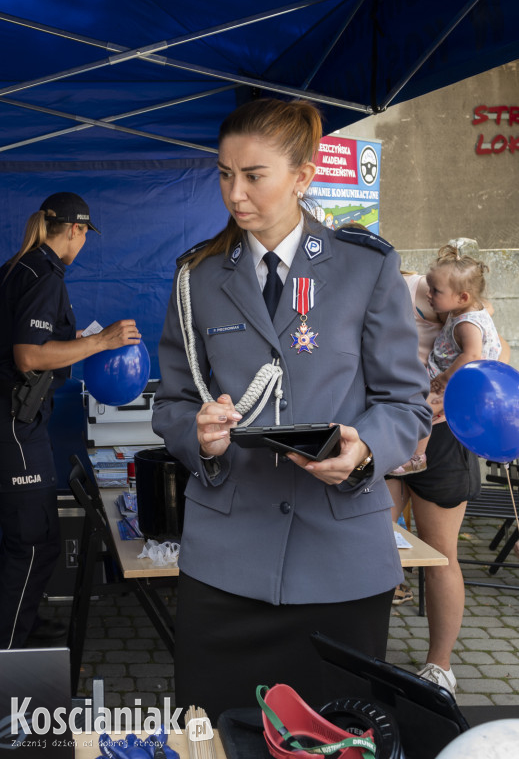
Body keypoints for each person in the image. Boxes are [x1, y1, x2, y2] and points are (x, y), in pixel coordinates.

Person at [152, 97, 431, 721]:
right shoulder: (196, 279)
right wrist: (197, 435)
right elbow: (171, 399)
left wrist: (364, 455)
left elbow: (404, 404)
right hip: (226, 564)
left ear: (304, 175)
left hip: (340, 563)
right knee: (216, 734)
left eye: (254, 175)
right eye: (225, 174)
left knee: (335, 736)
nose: (235, 193)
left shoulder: (366, 267)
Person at [0, 191, 142, 649]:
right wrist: (101, 342)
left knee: (39, 541)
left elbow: (32, 340)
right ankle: (10, 652)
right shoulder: (43, 274)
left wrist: (73, 340)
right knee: (34, 544)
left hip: (20, 425)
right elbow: (27, 355)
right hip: (15, 426)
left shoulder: (19, 267)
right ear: (77, 230)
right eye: (83, 234)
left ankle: (25, 626)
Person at [387, 242, 507, 696]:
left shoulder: (429, 290)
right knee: (373, 545)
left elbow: (490, 342)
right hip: (388, 426)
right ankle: (362, 650)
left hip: (440, 434)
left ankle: (440, 667)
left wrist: (448, 383)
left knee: (439, 554)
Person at [391, 245, 501, 476]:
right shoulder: (464, 309)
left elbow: (471, 355)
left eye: (435, 291)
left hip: (457, 381)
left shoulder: (467, 323)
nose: (428, 294)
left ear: (462, 297)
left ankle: (417, 458)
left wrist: (444, 378)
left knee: (424, 410)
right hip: (455, 377)